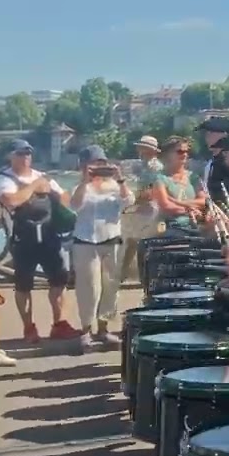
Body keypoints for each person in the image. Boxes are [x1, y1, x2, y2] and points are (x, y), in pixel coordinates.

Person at [0, 139, 81, 343]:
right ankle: (28, 327)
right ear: (10, 156)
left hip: (50, 235)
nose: (25, 158)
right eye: (20, 154)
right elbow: (12, 201)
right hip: (23, 238)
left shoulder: (43, 177)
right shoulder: (4, 178)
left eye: (27, 153)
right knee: (24, 286)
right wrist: (34, 187)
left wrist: (50, 192)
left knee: (59, 281)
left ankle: (59, 324)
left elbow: (66, 198)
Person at [70, 145, 133, 351]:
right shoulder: (81, 187)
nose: (99, 166)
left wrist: (120, 178)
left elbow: (128, 201)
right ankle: (86, 330)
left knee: (110, 288)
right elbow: (74, 205)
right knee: (89, 289)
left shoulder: (115, 186)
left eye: (102, 162)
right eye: (94, 162)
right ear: (83, 165)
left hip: (111, 240)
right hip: (86, 242)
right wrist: (85, 182)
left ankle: (104, 329)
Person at [119, 135, 163, 284]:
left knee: (137, 241)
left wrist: (133, 204)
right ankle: (129, 273)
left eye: (141, 147)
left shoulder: (153, 166)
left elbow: (150, 191)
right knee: (134, 240)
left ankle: (133, 274)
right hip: (146, 206)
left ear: (149, 150)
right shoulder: (148, 164)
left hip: (149, 207)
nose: (138, 149)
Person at [149, 136, 206, 234]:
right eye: (180, 152)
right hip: (171, 227)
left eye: (186, 152)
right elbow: (166, 205)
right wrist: (190, 210)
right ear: (167, 155)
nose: (184, 155)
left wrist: (178, 202)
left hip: (196, 225)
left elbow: (203, 201)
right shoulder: (160, 179)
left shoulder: (193, 177)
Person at [197, 116, 229, 200]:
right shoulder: (210, 165)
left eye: (210, 133)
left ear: (224, 134)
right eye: (207, 134)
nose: (207, 138)